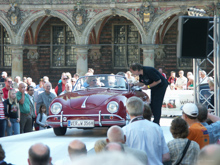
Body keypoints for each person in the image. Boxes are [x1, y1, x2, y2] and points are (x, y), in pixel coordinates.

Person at [122, 96, 170, 165]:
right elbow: (166, 156)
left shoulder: (124, 131)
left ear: (127, 111)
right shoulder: (156, 128)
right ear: (143, 109)